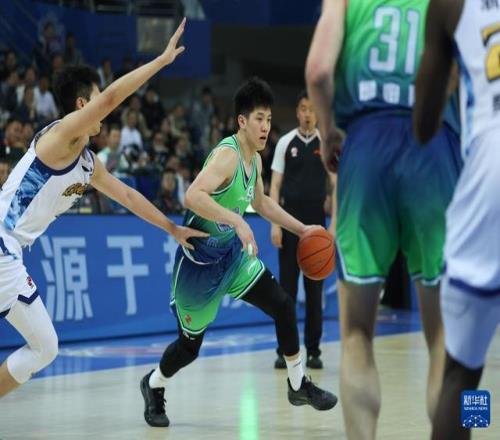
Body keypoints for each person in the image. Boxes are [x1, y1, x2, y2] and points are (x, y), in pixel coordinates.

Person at [0, 19, 206, 398]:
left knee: (45, 347)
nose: (106, 110)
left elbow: (128, 196)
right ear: (84, 104)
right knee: (45, 347)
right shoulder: (59, 135)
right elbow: (111, 98)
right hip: (3, 245)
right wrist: (161, 62)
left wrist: (172, 228)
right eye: (96, 99)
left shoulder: (87, 163)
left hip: (10, 251)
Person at [140, 77, 338, 428]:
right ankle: (154, 383)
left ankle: (298, 385)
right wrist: (237, 220)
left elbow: (261, 203)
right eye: (259, 119)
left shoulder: (255, 161)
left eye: (268, 119)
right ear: (242, 121)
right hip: (198, 268)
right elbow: (192, 195)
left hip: (231, 259)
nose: (265, 127)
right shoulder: (227, 156)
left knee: (283, 305)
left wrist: (303, 229)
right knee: (189, 348)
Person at [306, 1, 462, 438]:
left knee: (356, 333)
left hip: (364, 150)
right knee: (450, 341)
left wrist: (328, 130)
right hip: (435, 149)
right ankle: (469, 427)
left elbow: (318, 71)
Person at [414, 0, 500, 438]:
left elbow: (421, 125)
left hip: (478, 198)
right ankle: (476, 425)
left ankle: (472, 428)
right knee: (471, 364)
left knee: (464, 364)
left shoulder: (449, 12)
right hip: (460, 201)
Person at [270, 90, 336, 370]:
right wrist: (275, 224)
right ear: (297, 112)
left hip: (317, 224)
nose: (308, 114)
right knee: (285, 294)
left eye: (312, 109)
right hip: (289, 223)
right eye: (303, 109)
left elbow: (336, 185)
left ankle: (313, 351)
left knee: (314, 293)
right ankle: (285, 350)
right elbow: (274, 186)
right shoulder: (285, 143)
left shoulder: (327, 144)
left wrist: (333, 226)